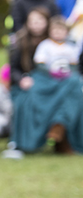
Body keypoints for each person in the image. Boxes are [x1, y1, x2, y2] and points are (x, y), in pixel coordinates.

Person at [9, 9, 83, 153]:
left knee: (74, 88)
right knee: (30, 98)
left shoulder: (69, 46)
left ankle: (61, 126)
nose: (37, 25)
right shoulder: (25, 42)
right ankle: (30, 140)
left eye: (40, 21)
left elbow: (75, 65)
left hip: (64, 79)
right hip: (38, 79)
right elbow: (15, 69)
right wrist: (22, 79)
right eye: (33, 21)